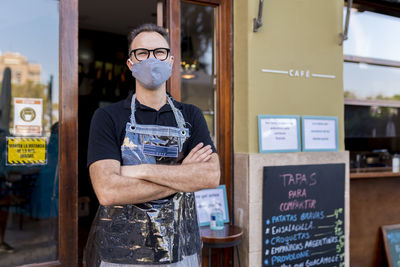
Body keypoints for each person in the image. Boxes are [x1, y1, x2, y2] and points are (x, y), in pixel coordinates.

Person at [84, 24, 220, 267]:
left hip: (181, 250)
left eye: (159, 52)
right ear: (130, 63)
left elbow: (209, 176)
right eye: (142, 53)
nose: (151, 58)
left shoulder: (191, 115)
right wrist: (183, 176)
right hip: (122, 254)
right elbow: (108, 191)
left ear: (170, 60)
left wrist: (138, 170)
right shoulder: (107, 117)